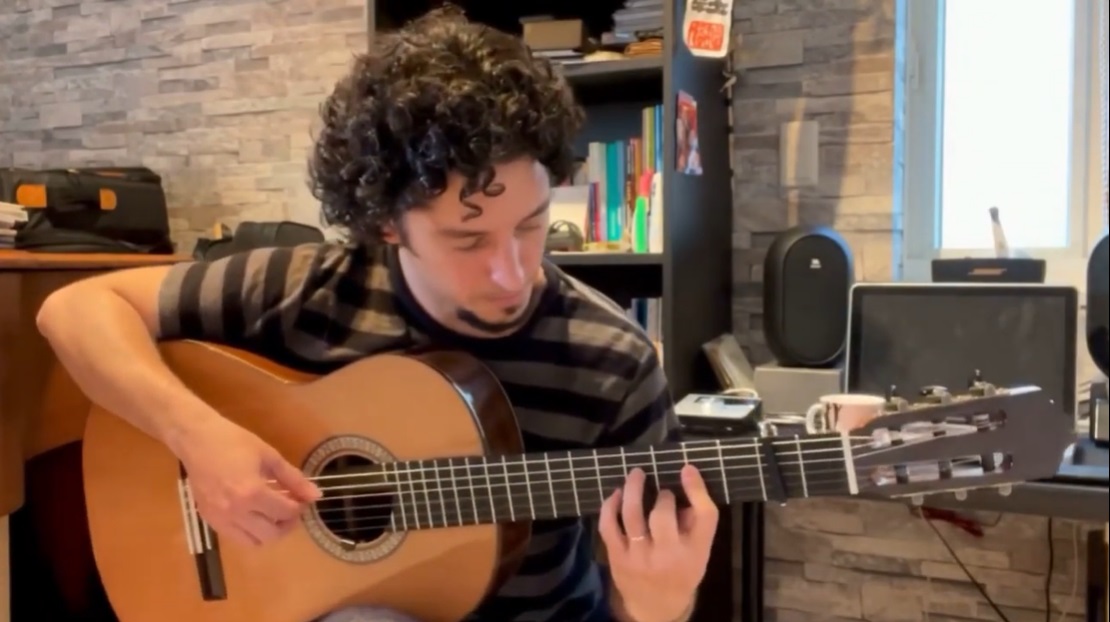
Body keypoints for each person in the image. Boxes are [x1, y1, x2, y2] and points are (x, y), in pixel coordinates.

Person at [35, 7, 719, 622]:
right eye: (468, 240)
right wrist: (200, 440)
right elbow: (74, 311)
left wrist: (658, 604)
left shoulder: (613, 363)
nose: (513, 271)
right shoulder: (312, 289)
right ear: (387, 224)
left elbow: (644, 587)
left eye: (532, 224)